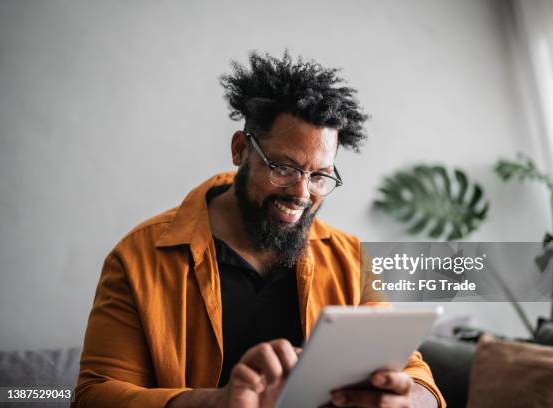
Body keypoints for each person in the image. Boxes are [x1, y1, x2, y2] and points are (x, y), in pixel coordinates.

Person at [73, 51, 446, 408]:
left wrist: (406, 398)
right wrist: (218, 402)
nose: (302, 193)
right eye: (283, 168)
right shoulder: (139, 257)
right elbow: (93, 396)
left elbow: (416, 374)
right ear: (240, 150)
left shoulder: (351, 258)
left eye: (319, 176)